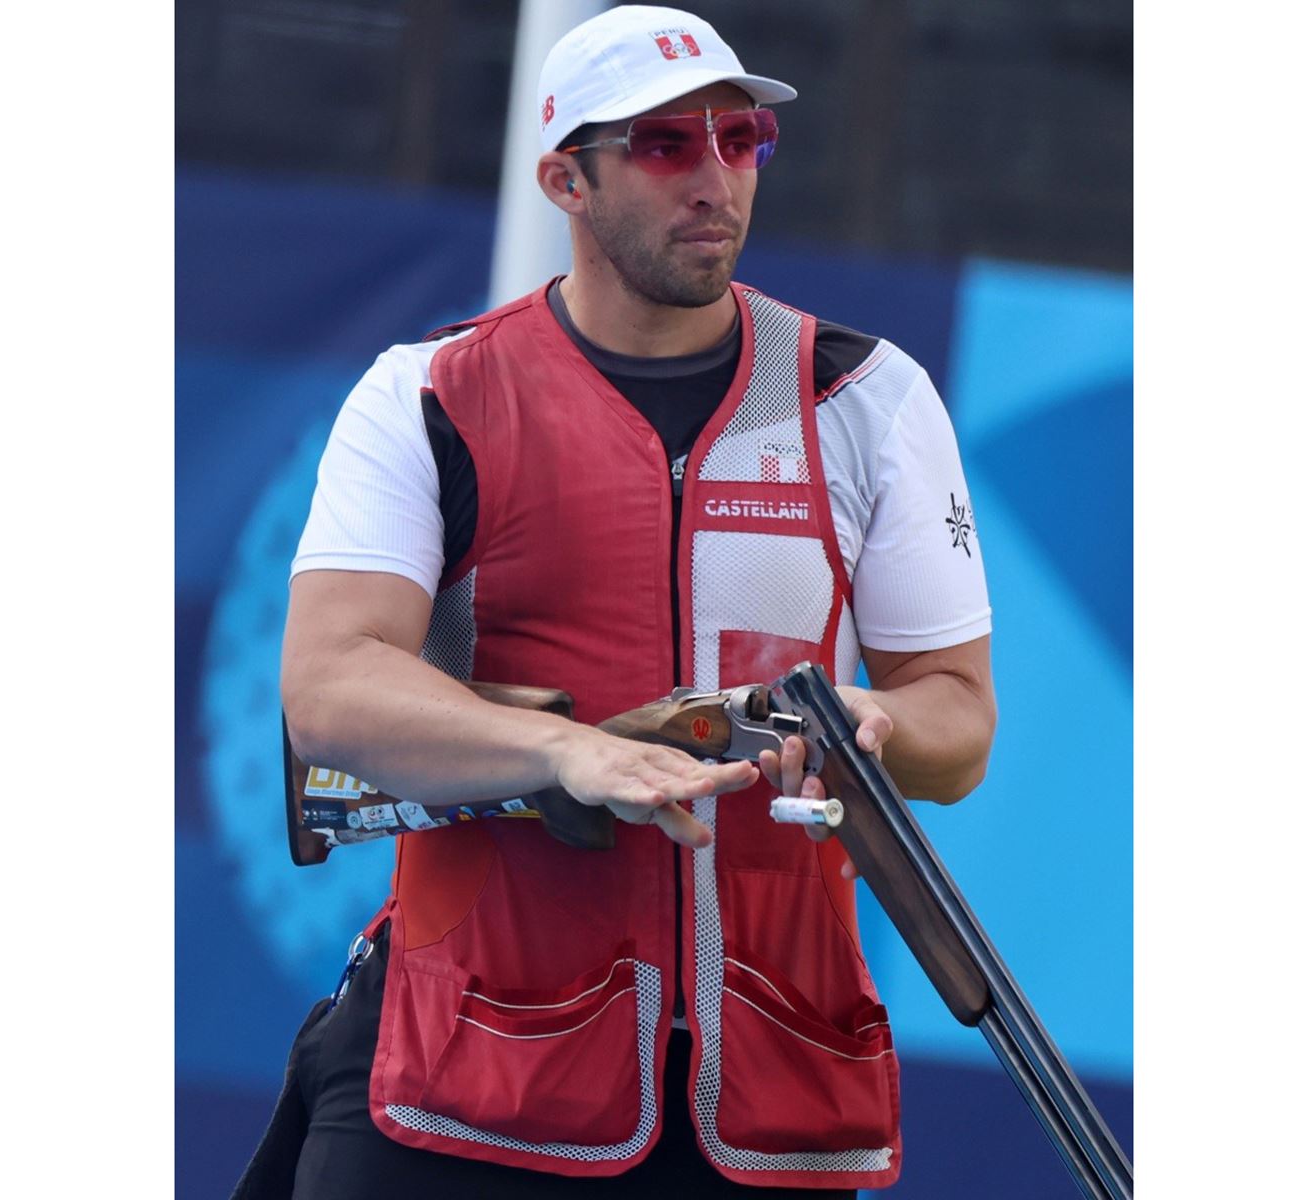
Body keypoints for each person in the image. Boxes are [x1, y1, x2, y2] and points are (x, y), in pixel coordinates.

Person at [236, 6, 996, 1198]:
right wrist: (571, 754)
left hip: (770, 1088)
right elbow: (328, 687)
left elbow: (956, 725)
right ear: (564, 180)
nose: (714, 179)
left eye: (740, 140)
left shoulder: (867, 396)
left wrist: (869, 727)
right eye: (661, 147)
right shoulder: (426, 391)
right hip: (461, 1076)